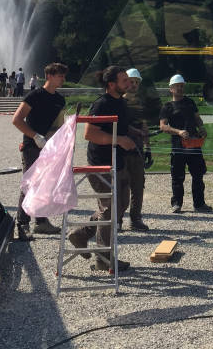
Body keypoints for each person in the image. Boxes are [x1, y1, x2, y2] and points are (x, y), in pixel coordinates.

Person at [67, 66, 138, 273]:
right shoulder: (101, 104)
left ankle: (80, 234)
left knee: (121, 203)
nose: (129, 83)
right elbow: (89, 134)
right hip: (101, 164)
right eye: (124, 80)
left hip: (119, 161)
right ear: (111, 84)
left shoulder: (120, 102)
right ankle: (103, 259)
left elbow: (118, 128)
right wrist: (120, 140)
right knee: (110, 208)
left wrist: (133, 132)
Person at [11, 61, 68, 240]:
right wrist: (35, 136)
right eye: (60, 75)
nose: (63, 79)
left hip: (50, 147)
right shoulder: (34, 96)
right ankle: (22, 224)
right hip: (32, 146)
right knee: (30, 184)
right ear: (49, 75)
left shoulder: (60, 99)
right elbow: (17, 119)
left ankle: (41, 222)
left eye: (64, 76)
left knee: (45, 185)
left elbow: (59, 124)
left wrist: (57, 139)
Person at [159, 73, 211, 214]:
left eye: (182, 86)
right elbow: (163, 126)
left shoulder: (190, 102)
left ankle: (199, 204)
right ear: (171, 89)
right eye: (177, 86)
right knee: (177, 177)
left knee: (198, 175)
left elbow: (197, 118)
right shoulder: (167, 107)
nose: (180, 88)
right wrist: (178, 132)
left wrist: (202, 128)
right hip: (178, 146)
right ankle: (177, 204)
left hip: (193, 144)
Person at [119, 67, 151, 232]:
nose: (134, 85)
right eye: (131, 81)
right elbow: (122, 126)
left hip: (137, 150)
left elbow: (144, 126)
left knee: (138, 186)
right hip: (122, 151)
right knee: (121, 187)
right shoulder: (120, 102)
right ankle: (117, 219)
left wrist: (148, 148)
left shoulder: (140, 103)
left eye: (137, 82)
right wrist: (137, 132)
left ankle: (135, 219)